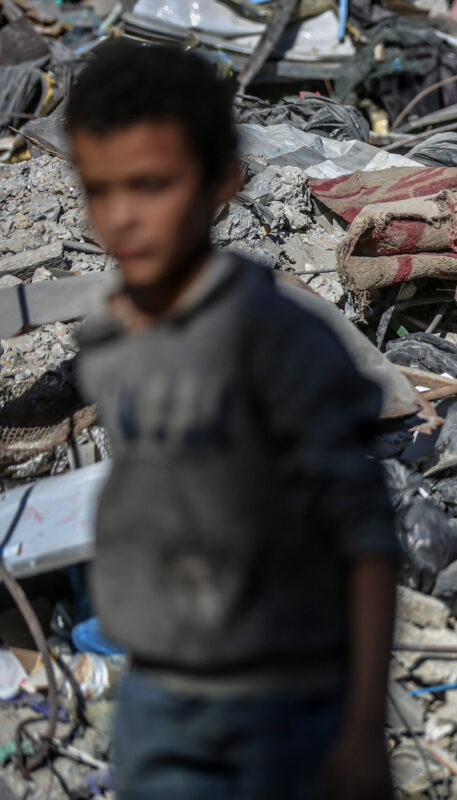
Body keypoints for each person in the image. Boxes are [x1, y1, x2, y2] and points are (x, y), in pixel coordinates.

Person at [67, 41, 397, 799]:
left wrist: (361, 730)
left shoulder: (277, 341)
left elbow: (365, 540)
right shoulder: (112, 343)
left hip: (280, 707)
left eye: (151, 186)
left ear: (223, 182)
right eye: (99, 188)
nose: (122, 217)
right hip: (155, 697)